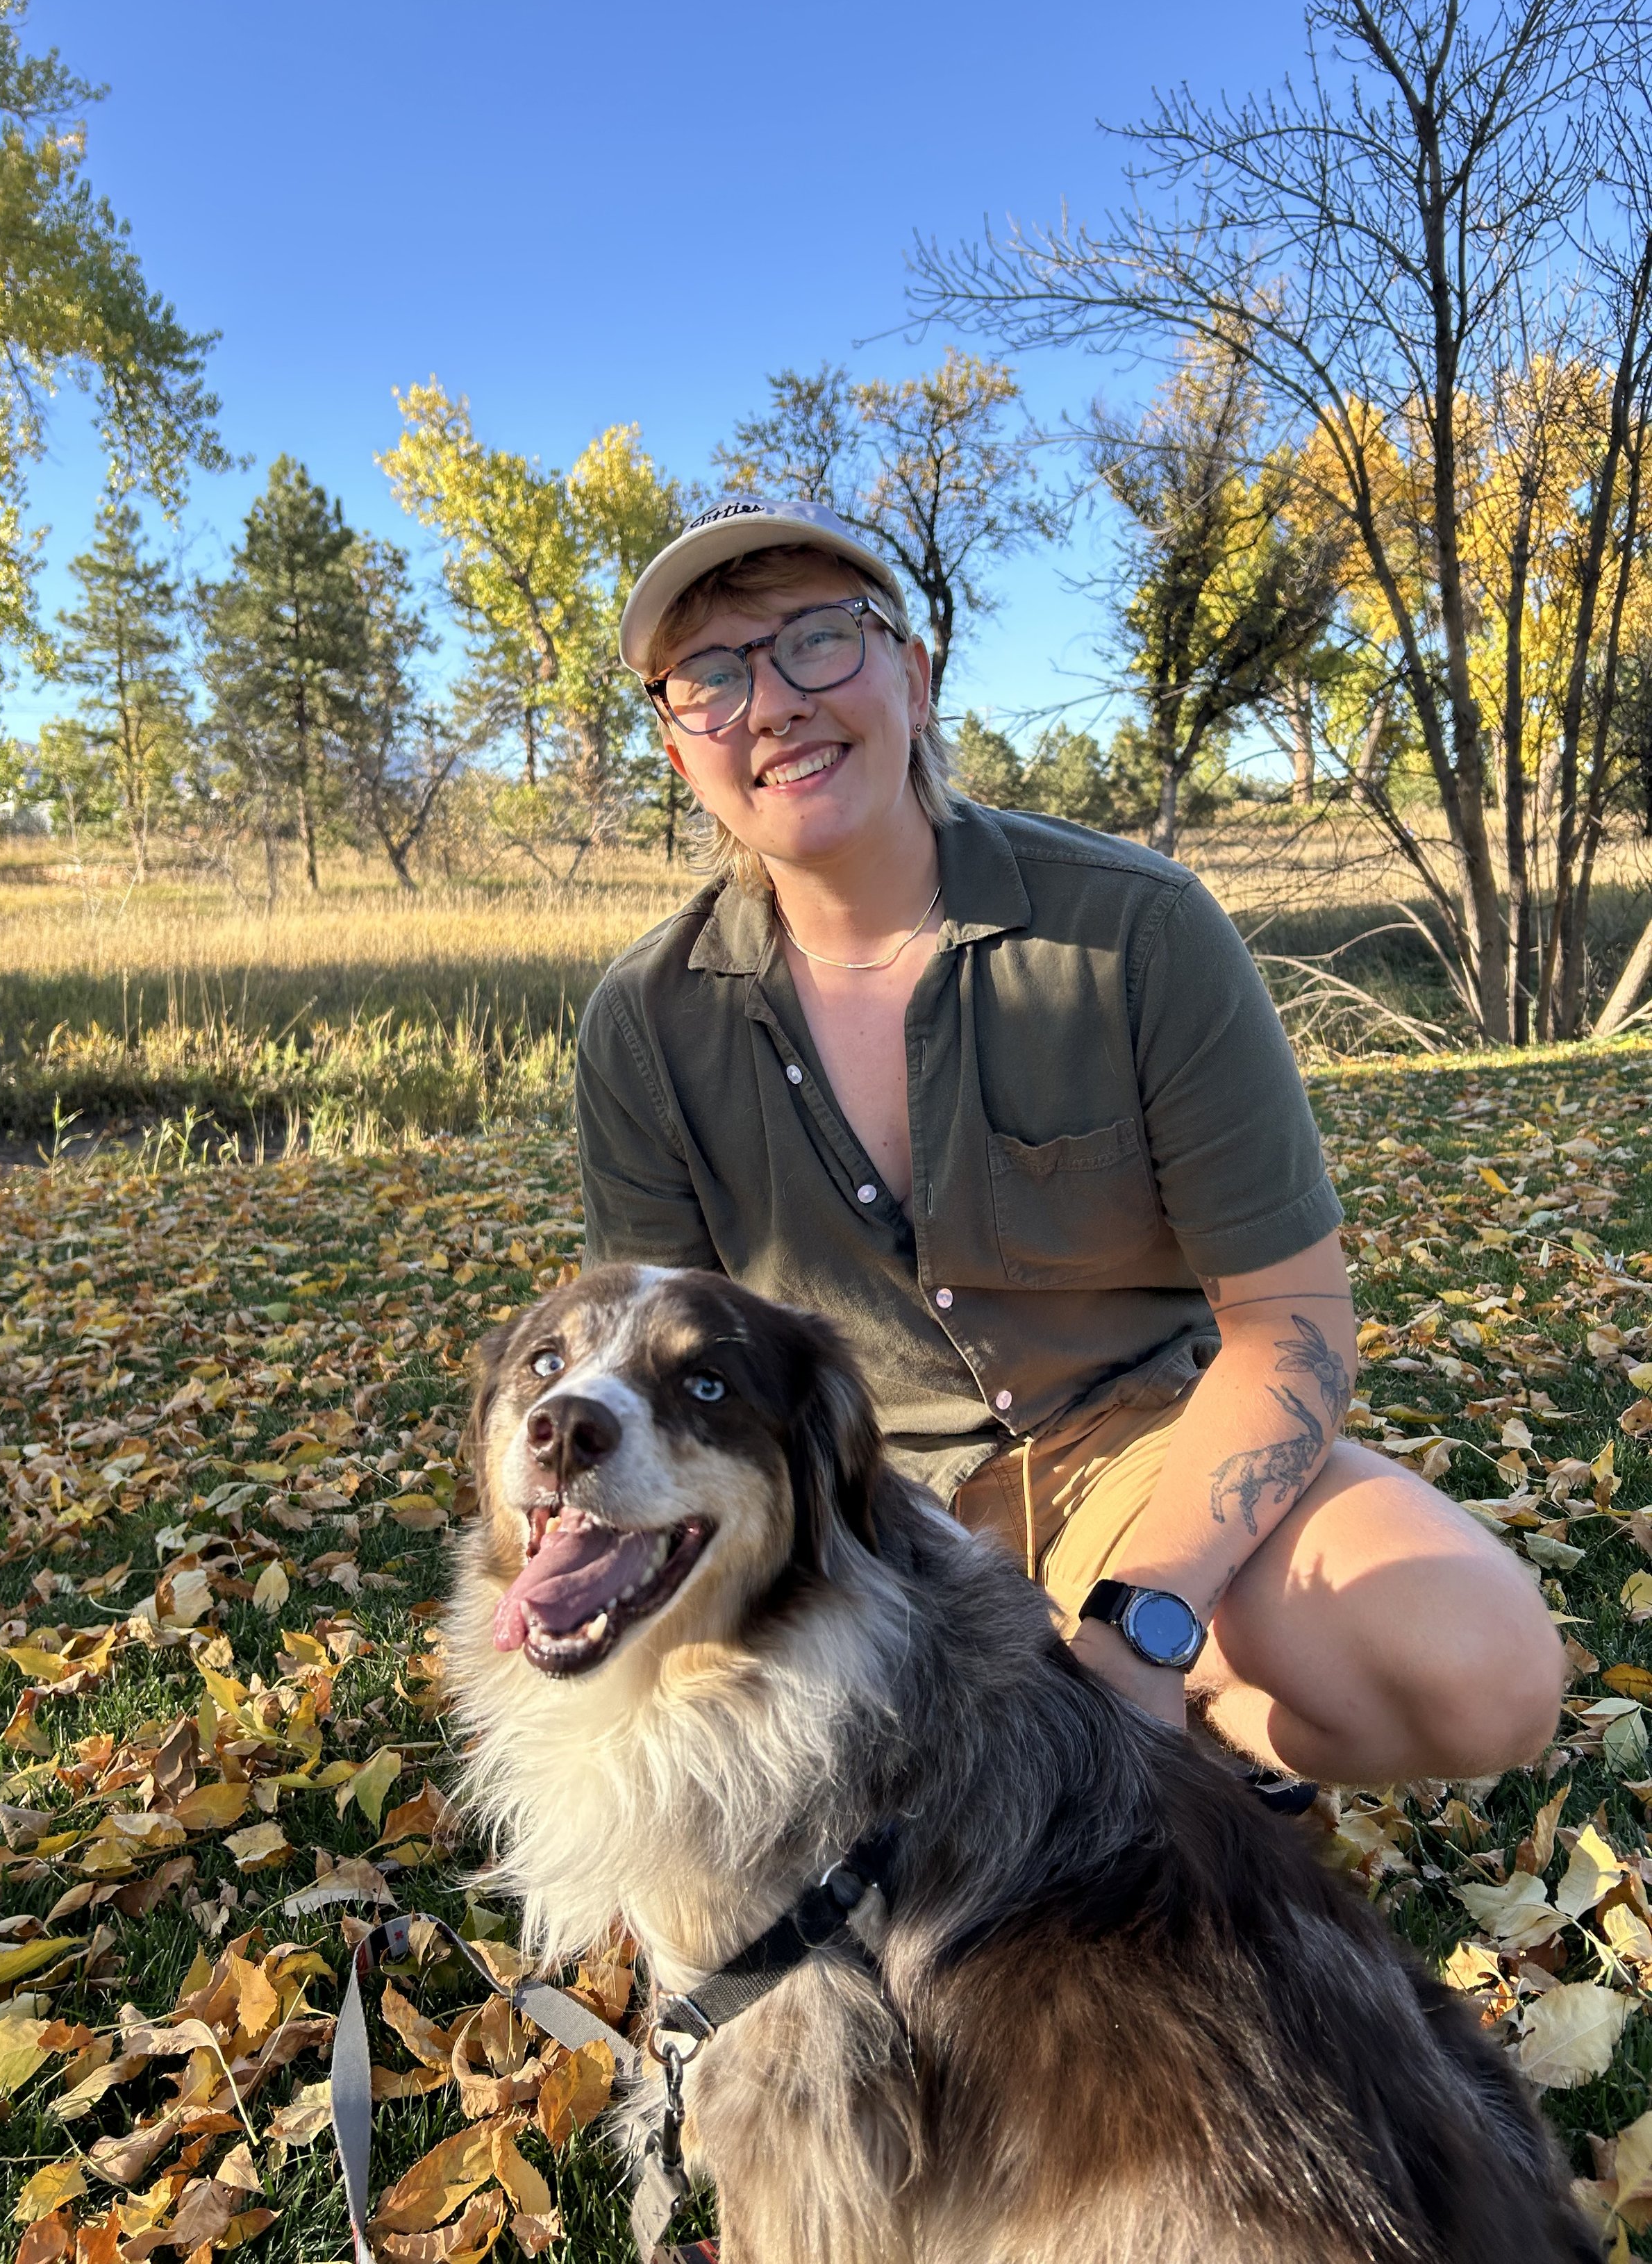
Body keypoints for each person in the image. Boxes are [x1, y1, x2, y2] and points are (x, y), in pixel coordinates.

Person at [573, 494, 1564, 1786]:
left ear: (913, 676)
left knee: (1481, 1670)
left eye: (819, 640)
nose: (771, 703)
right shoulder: (642, 1027)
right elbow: (667, 1388)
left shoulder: (1141, 934)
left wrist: (1145, 1626)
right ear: (675, 747)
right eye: (710, 675)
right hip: (854, 1505)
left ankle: (1205, 1730)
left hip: (1140, 1447)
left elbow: (1295, 1321)